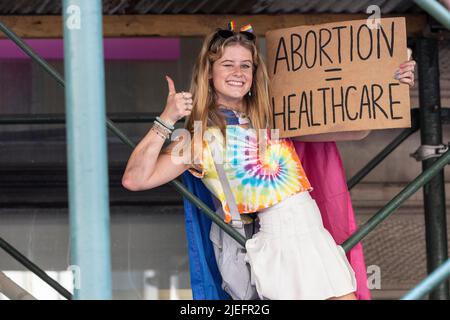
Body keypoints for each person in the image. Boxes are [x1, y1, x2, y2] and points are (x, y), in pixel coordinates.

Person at [122, 22, 416, 300]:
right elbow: (135, 179)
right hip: (279, 242)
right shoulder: (199, 138)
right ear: (209, 72)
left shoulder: (273, 119)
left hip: (314, 234)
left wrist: (390, 79)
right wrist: (167, 118)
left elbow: (354, 130)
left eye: (245, 65)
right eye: (227, 64)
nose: (238, 72)